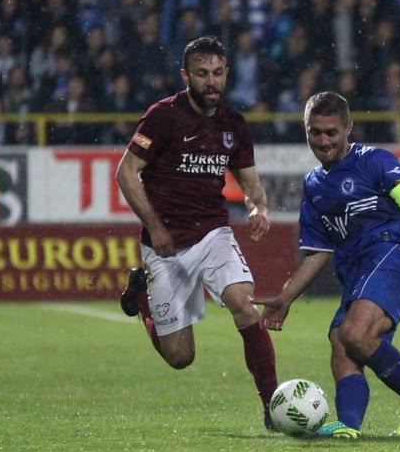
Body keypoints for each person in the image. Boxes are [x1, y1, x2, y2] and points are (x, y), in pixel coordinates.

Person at [253, 92, 400, 438]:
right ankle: (348, 428)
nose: (323, 141)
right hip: (355, 270)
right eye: (315, 133)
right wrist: (286, 298)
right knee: (341, 342)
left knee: (354, 333)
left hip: (390, 257)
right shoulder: (313, 184)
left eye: (331, 132)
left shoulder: (377, 161)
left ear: (349, 128)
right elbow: (318, 251)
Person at [115, 36, 278, 430]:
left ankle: (273, 406)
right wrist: (156, 228)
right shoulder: (163, 116)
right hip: (164, 246)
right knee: (180, 357)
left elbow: (252, 184)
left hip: (212, 235)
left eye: (218, 73)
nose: (211, 82)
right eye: (202, 74)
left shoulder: (234, 125)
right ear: (185, 75)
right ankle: (143, 301)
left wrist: (259, 208)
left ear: (226, 75)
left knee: (243, 302)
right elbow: (126, 173)